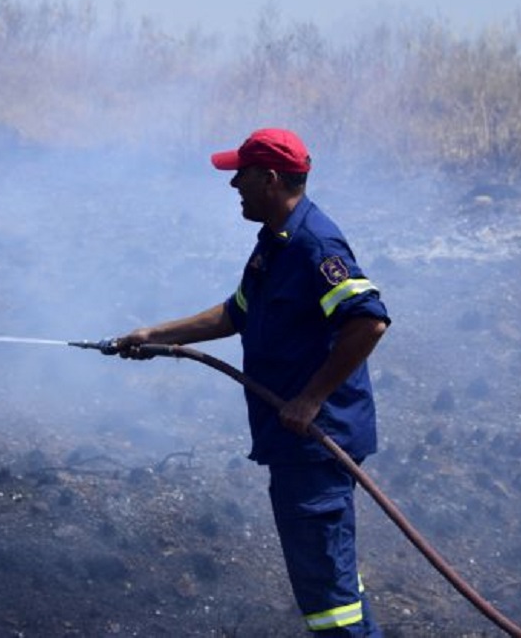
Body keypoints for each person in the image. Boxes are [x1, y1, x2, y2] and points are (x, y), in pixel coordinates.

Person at [116, 128, 389, 636]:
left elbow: (367, 320)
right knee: (329, 582)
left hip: (316, 441)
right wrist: (154, 333)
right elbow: (235, 313)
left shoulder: (314, 244)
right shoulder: (275, 243)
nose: (233, 185)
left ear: (269, 178)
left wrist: (310, 400)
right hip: (293, 440)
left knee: (329, 594)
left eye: (241, 175)